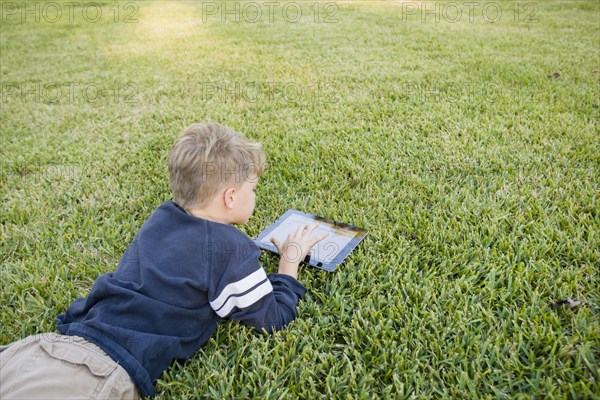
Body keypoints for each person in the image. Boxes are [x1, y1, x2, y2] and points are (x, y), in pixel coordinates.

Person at [0, 123, 328, 399]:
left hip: (41, 349)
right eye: (253, 188)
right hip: (96, 371)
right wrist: (289, 263)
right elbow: (271, 319)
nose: (254, 196)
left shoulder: (161, 216)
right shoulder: (232, 249)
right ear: (230, 197)